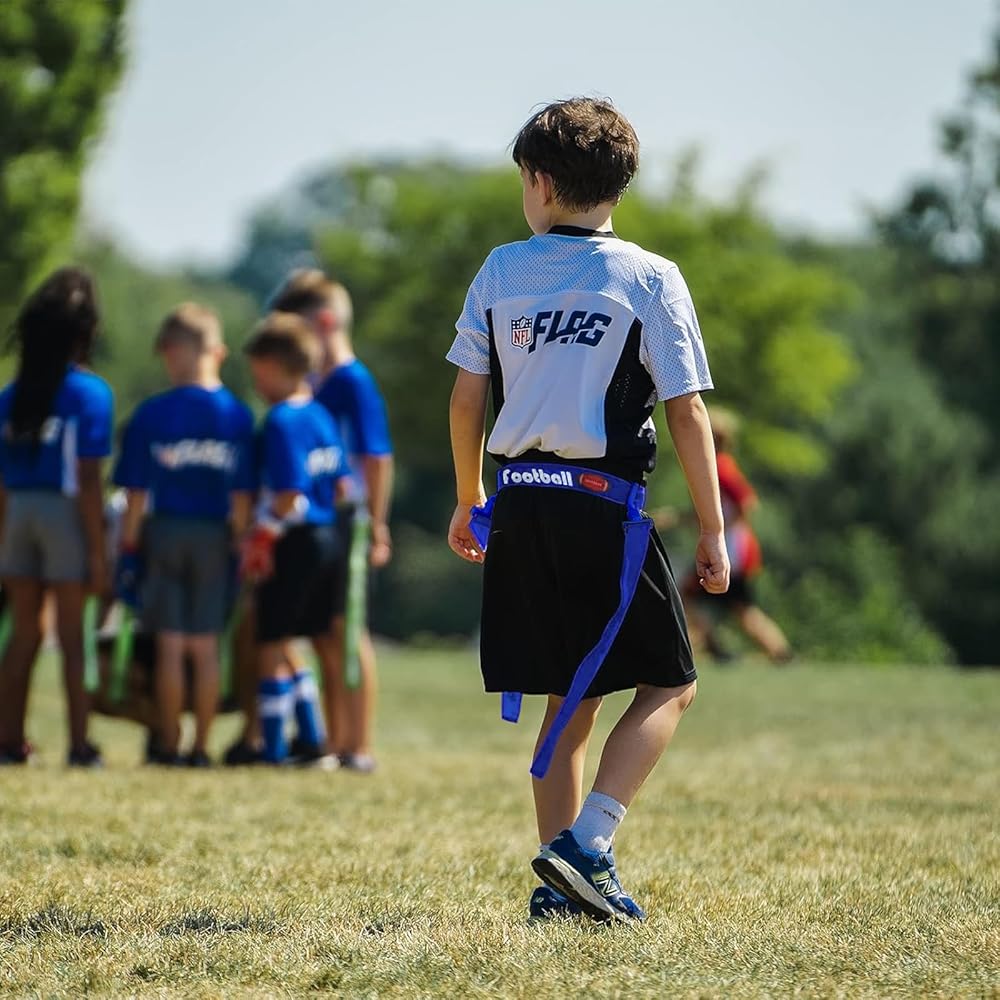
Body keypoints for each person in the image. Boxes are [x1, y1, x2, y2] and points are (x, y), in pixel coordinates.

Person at [445, 98, 729, 921]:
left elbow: (466, 399)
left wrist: (468, 497)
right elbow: (686, 409)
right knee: (671, 685)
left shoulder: (501, 270)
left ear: (538, 181)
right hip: (604, 509)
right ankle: (589, 843)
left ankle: (560, 889)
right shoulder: (649, 277)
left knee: (567, 701)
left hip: (521, 507)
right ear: (620, 185)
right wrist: (713, 528)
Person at [113, 304, 254, 766]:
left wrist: (128, 548)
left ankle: (170, 741)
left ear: (171, 351)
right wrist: (239, 543)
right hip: (215, 534)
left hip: (165, 532)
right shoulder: (236, 415)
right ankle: (201, 747)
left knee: (171, 644)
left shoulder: (152, 413)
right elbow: (242, 496)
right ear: (218, 351)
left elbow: (135, 494)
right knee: (207, 644)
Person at [269, 270, 393, 773]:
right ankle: (334, 740)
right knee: (323, 632)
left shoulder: (351, 381)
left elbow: (377, 457)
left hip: (350, 518)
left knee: (348, 632)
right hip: (323, 520)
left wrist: (377, 524)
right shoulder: (318, 383)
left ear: (323, 323)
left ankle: (358, 745)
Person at [0, 267, 113, 767]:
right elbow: (88, 478)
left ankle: (9, 740)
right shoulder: (90, 394)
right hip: (64, 514)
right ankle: (79, 744)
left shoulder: (11, 396)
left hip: (17, 514)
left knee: (22, 634)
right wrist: (97, 552)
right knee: (72, 636)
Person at [241, 312, 347, 767]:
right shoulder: (320, 414)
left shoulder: (281, 420)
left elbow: (289, 494)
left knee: (270, 640)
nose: (256, 384)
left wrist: (262, 535)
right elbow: (341, 485)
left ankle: (273, 747)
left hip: (295, 540)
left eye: (257, 373)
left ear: (273, 366)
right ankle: (312, 738)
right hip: (328, 537)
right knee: (293, 639)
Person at [683, 409, 792, 663]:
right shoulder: (719, 465)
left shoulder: (719, 467)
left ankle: (719, 647)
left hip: (732, 549)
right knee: (739, 609)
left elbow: (746, 503)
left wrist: (717, 527)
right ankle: (776, 653)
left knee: (692, 598)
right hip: (733, 548)